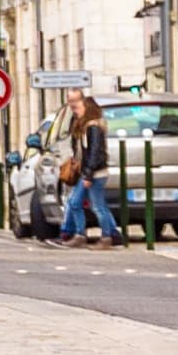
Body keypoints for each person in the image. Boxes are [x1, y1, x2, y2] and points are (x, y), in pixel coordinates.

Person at [61, 92, 123, 247]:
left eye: (79, 107)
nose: (76, 110)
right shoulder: (85, 127)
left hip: (95, 173)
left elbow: (95, 152)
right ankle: (81, 234)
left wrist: (88, 175)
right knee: (76, 203)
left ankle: (106, 237)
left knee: (97, 206)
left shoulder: (93, 128)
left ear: (87, 109)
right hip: (89, 172)